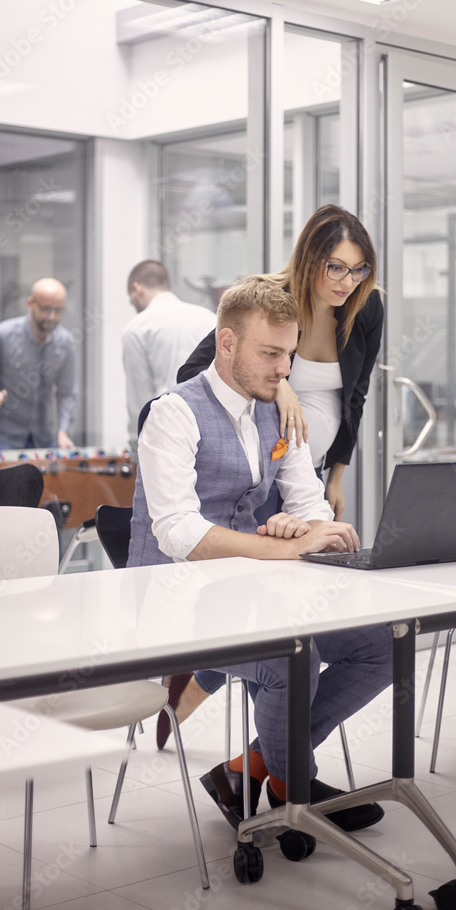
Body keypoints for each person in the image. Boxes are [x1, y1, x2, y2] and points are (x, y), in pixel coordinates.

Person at [127, 276, 392, 832]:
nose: (284, 371)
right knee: (283, 661)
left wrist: (312, 528)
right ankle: (297, 793)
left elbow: (311, 503)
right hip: (173, 602)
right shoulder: (172, 413)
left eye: (289, 355)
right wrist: (289, 550)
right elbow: (178, 533)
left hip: (251, 595)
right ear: (227, 344)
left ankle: (260, 766)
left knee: (380, 646)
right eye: (270, 354)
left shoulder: (276, 410)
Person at [159, 204, 384, 748]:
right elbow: (195, 374)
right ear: (309, 259)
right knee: (272, 627)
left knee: (290, 626)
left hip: (309, 481)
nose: (345, 281)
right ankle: (271, 771)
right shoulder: (269, 302)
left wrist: (337, 474)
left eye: (357, 270)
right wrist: (280, 383)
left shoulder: (365, 308)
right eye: (335, 267)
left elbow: (355, 396)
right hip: (262, 482)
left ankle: (254, 757)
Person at [0, 277, 77, 450]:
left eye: (58, 310)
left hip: (42, 438)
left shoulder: (65, 342)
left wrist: (63, 431)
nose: (52, 316)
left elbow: (66, 393)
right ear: (30, 303)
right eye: (46, 309)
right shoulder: (3, 335)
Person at [122, 260, 216, 449]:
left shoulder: (137, 328)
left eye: (132, 300)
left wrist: (136, 446)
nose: (134, 306)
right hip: (215, 429)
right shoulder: (210, 318)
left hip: (167, 436)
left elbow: (139, 398)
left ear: (137, 288)